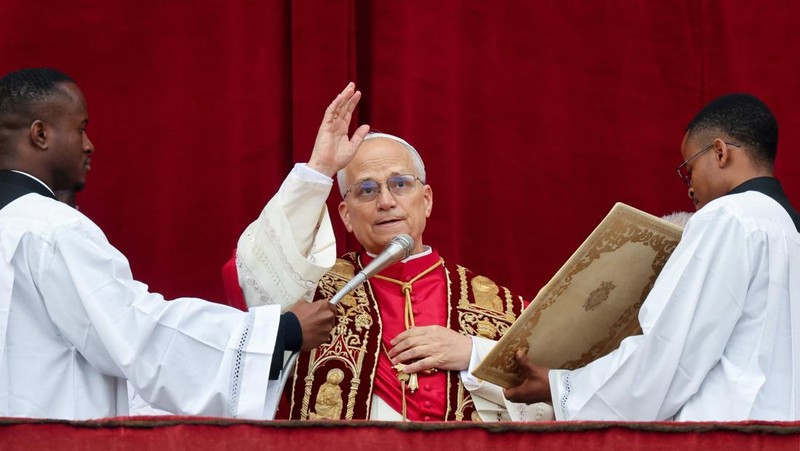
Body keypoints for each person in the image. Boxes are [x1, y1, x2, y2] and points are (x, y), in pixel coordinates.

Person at [0, 67, 340, 420]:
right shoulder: (50, 228)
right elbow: (138, 336)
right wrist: (279, 333)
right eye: (81, 128)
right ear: (40, 134)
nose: (89, 145)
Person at [225, 123, 553, 421]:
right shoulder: (313, 292)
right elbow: (254, 276)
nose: (386, 201)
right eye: (366, 190)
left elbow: (548, 401)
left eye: (400, 184)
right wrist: (319, 170)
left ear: (426, 200)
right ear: (346, 215)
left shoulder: (499, 305)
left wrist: (473, 355)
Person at [503, 93, 800, 421]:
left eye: (689, 170)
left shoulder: (728, 217)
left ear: (720, 152)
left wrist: (562, 386)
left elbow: (669, 356)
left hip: (729, 433)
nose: (689, 188)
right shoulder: (789, 229)